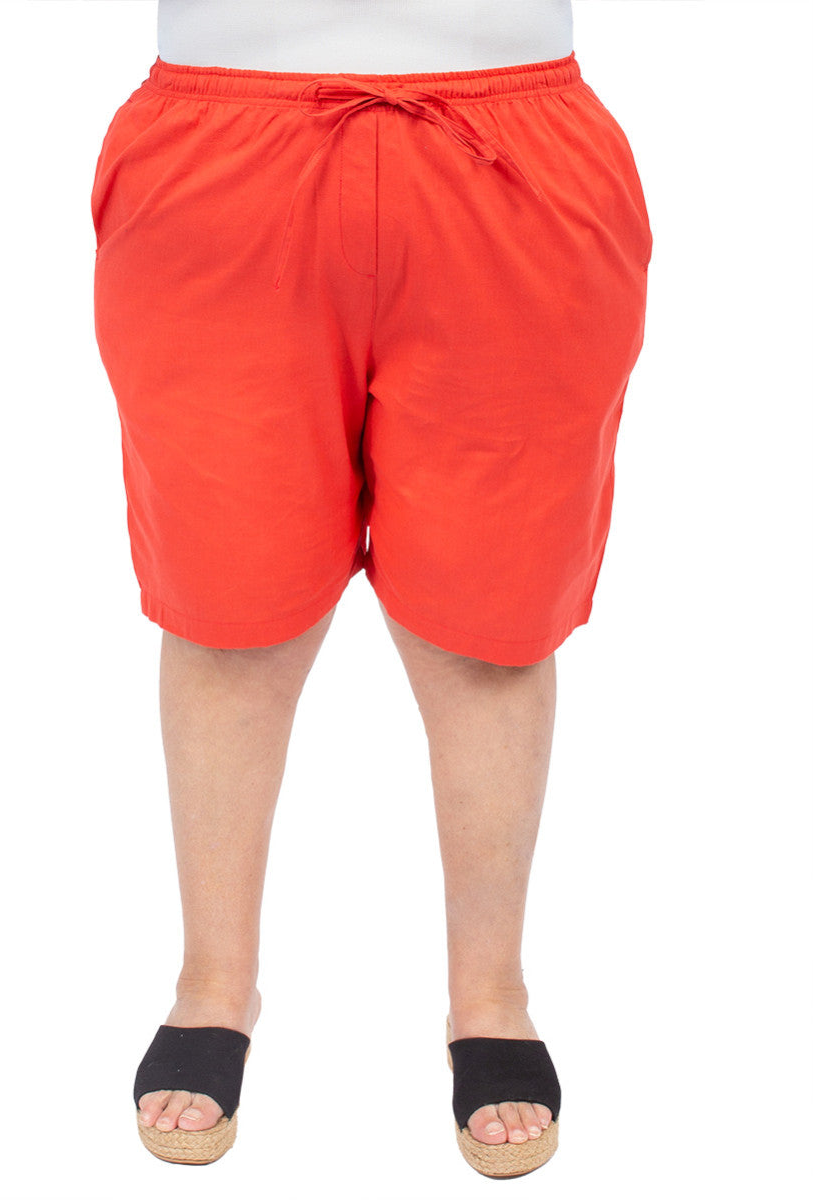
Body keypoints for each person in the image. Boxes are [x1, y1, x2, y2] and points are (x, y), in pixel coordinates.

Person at [91, 0, 652, 1179]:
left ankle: (491, 994)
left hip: (510, 143)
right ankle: (214, 981)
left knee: (492, 626)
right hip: (220, 146)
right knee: (227, 610)